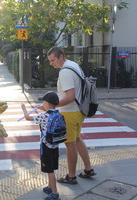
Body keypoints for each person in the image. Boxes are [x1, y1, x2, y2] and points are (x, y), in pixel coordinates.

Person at [47, 46, 96, 185]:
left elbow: (69, 96)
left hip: (69, 112)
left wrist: (52, 105)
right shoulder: (73, 65)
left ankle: (71, 176)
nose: (52, 63)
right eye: (50, 61)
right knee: (77, 139)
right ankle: (88, 169)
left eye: (53, 60)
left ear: (61, 56)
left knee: (70, 144)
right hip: (79, 111)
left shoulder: (65, 72)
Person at [21, 91, 62, 200]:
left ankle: (54, 193)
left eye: (43, 102)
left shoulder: (43, 116)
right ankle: (49, 186)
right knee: (51, 167)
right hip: (55, 146)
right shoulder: (58, 114)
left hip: (46, 147)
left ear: (47, 104)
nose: (42, 103)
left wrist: (24, 108)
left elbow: (27, 117)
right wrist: (44, 109)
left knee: (49, 170)